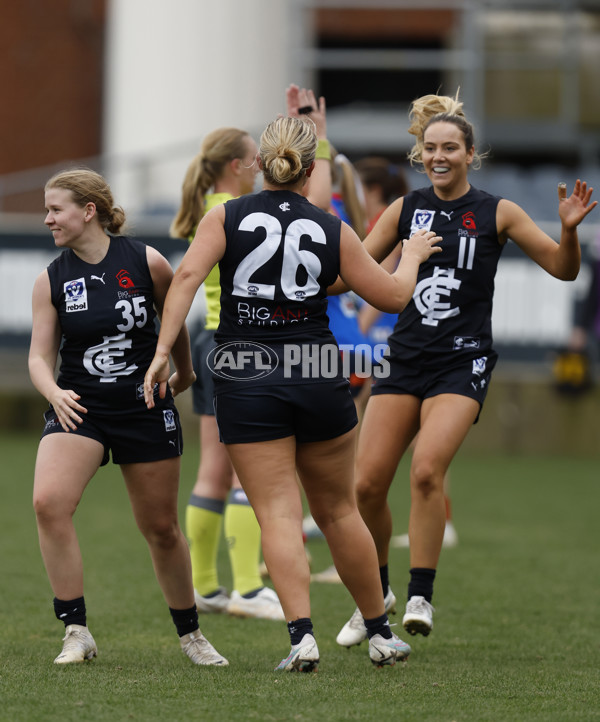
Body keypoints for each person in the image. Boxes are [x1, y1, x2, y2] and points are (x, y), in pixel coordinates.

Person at [143, 114, 442, 671]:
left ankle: (302, 637)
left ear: (260, 163)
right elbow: (395, 298)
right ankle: (379, 632)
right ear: (309, 171)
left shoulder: (225, 215)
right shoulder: (331, 227)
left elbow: (184, 281)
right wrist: (416, 254)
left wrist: (163, 353)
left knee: (278, 514)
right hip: (315, 368)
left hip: (246, 372)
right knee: (339, 511)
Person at [336, 91, 597, 649]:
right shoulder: (403, 211)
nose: (439, 156)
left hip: (462, 362)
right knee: (364, 485)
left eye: (450, 147)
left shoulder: (498, 211)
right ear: (420, 153)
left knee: (428, 470)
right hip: (404, 359)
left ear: (470, 153)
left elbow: (563, 269)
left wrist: (570, 230)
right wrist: (303, 273)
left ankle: (420, 594)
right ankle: (375, 594)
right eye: (430, 147)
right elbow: (350, 270)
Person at [29, 169, 227, 666]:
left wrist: (183, 375)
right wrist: (53, 391)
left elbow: (174, 320)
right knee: (48, 502)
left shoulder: (145, 261)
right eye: (48, 209)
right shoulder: (51, 278)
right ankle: (76, 630)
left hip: (143, 408)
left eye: (56, 209)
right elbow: (37, 356)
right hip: (81, 408)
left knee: (160, 528)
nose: (48, 218)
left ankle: (191, 636)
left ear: (88, 210)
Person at [171, 86, 330, 620]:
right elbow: (319, 216)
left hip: (208, 342)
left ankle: (207, 586)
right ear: (242, 165)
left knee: (211, 473)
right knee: (245, 478)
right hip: (242, 347)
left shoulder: (210, 209)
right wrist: (318, 143)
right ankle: (245, 587)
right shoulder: (233, 210)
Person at [355, 156, 459, 551]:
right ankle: (352, 506)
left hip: (396, 331)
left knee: (379, 420)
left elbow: (387, 278)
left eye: (363, 190)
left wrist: (359, 325)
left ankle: (440, 518)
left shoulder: (402, 218)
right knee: (392, 428)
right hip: (393, 330)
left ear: (376, 191)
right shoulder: (400, 214)